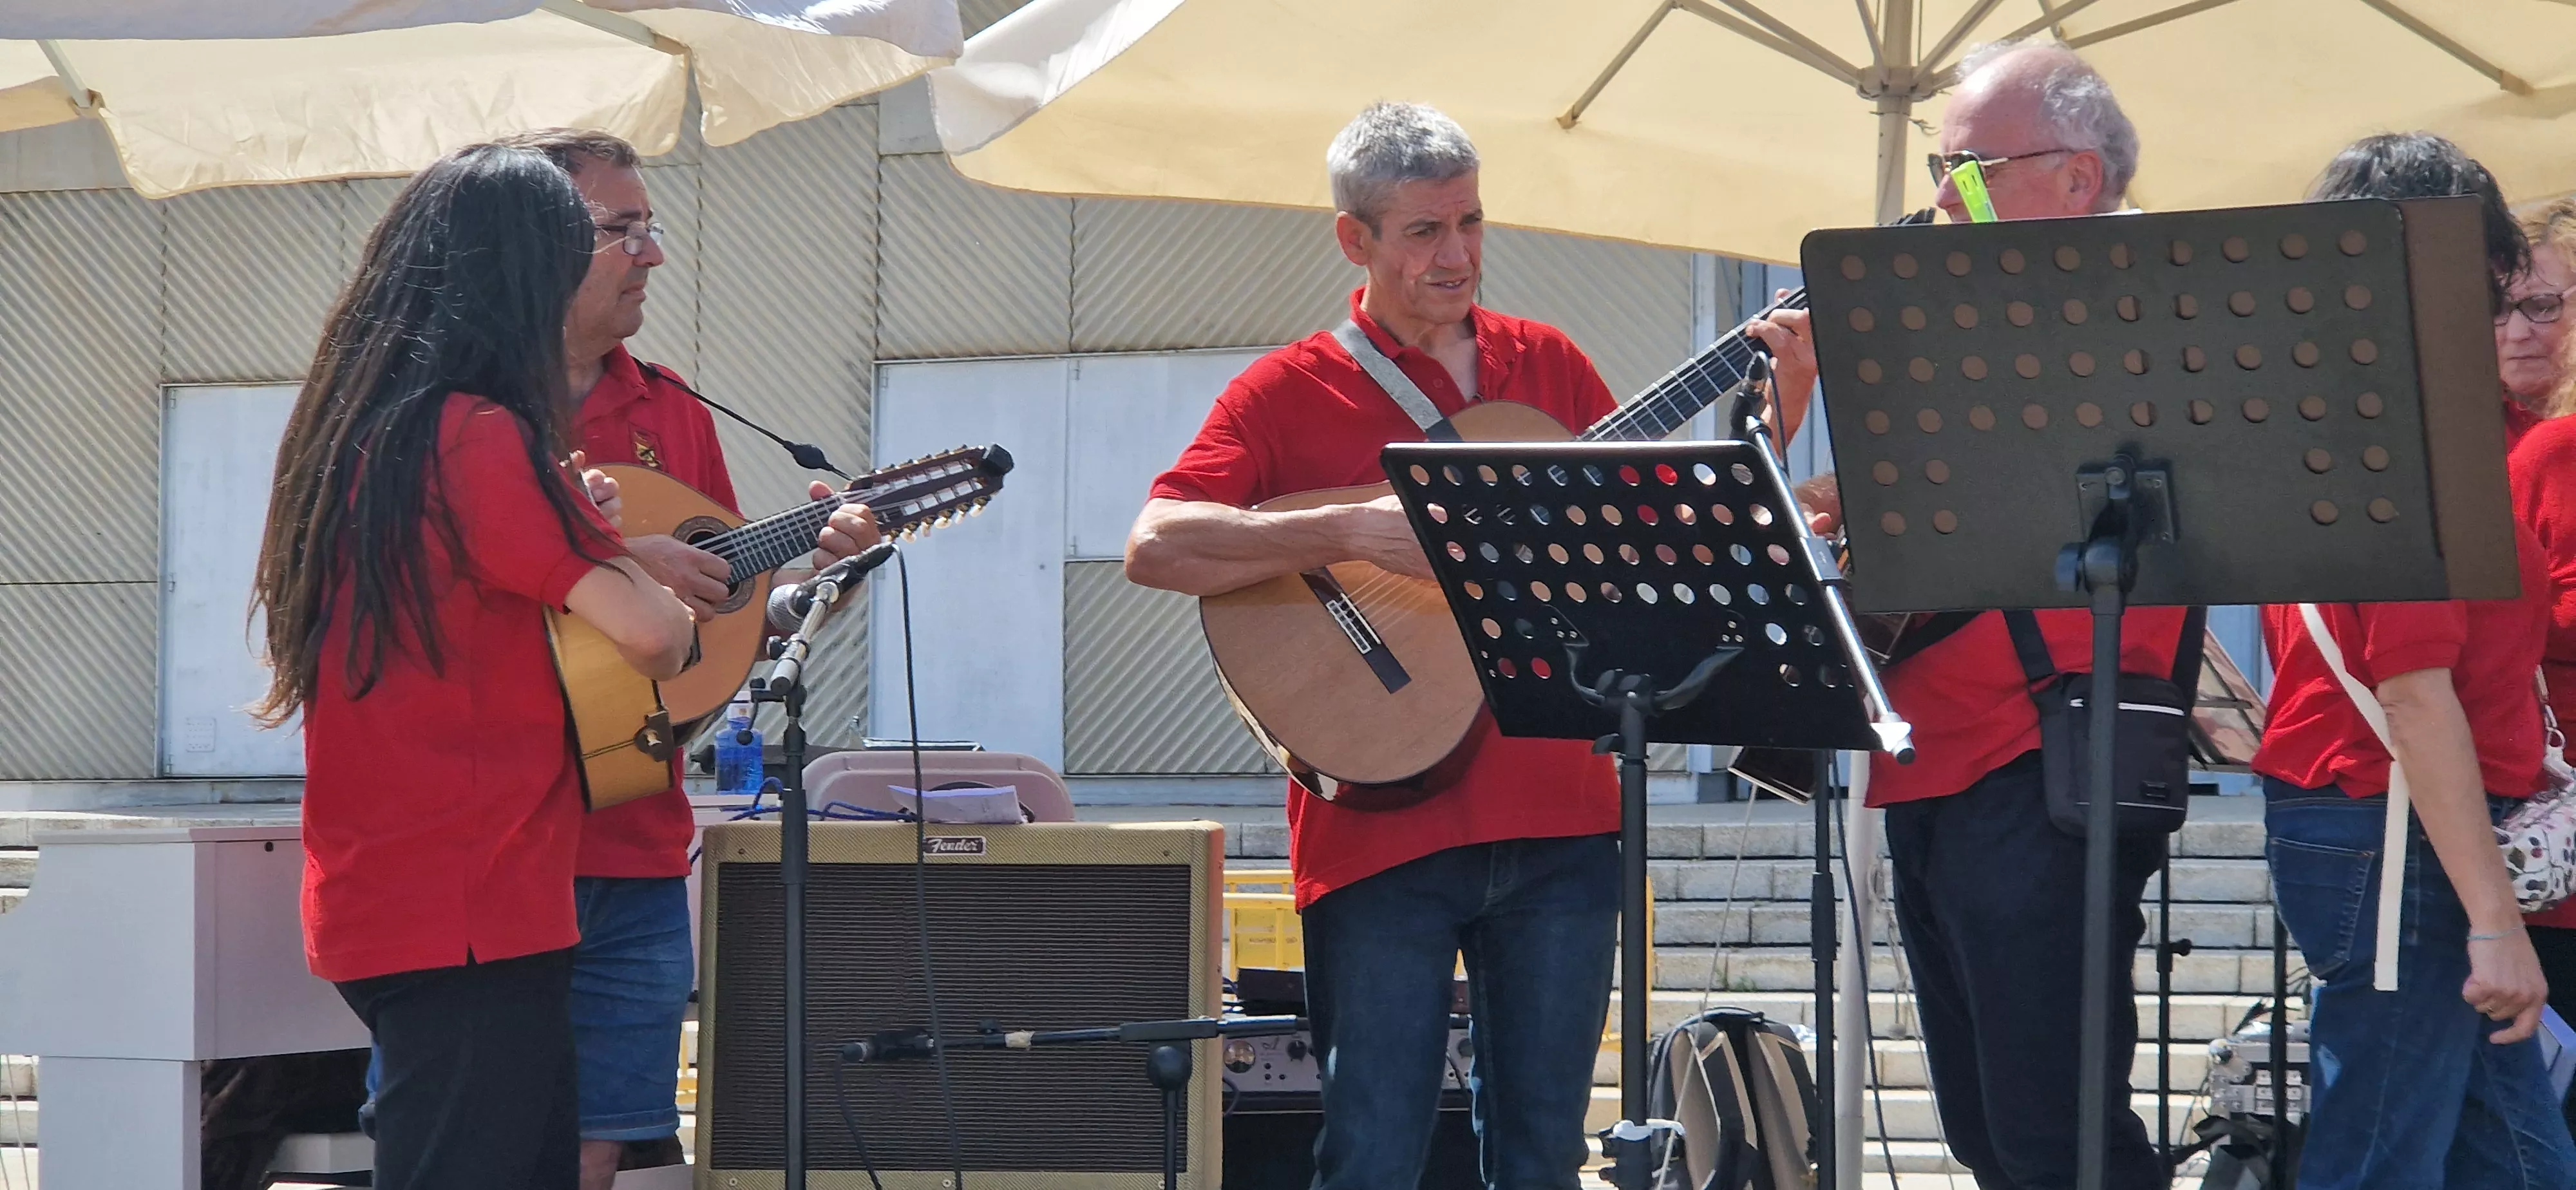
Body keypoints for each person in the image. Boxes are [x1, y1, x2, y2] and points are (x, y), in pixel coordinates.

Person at [1125, 102, 1625, 1189]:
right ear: (1355, 239)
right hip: (1379, 833)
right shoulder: (1284, 388)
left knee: (1545, 1156)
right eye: (1423, 232)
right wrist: (1344, 529)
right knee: (1371, 1153)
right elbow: (1156, 545)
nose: (1458, 255)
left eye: (1472, 222)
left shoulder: (1551, 365)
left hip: (1564, 816)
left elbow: (1642, 538)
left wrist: (1786, 417)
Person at [1754, 40, 2190, 1190]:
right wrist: (1787, 416)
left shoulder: (2158, 306)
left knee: (2060, 1138)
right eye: (1942, 169)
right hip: (1930, 757)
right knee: (1987, 1135)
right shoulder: (1959, 317)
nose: (1941, 199)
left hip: (2051, 746)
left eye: (1969, 169)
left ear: (2079, 179)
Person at [251, 144, 699, 1190]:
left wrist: (593, 543)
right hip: (475, 902)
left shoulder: (361, 431)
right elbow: (652, 638)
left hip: (408, 893)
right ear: (520, 280)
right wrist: (635, 571)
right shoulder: (481, 437)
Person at [481, 128, 882, 1189]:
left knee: (599, 1146)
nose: (652, 255)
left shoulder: (670, 412)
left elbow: (709, 650)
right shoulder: (449, 416)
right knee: (465, 1134)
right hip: (482, 840)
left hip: (630, 836)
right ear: (534, 243)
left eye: (651, 227)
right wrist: (604, 554)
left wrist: (830, 579)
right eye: (623, 230)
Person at [2253, 131, 2576, 1189]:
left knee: (2517, 1163)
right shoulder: (2407, 428)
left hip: (2387, 821)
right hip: (2395, 827)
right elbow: (2413, 691)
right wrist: (2495, 924)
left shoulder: (2353, 410)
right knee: (2384, 1158)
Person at [2501, 194, 2576, 1134]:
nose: (2522, 329)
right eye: (2503, 305)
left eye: (2546, 304)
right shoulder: (2541, 453)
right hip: (2546, 849)